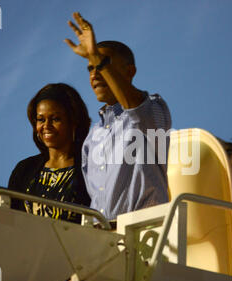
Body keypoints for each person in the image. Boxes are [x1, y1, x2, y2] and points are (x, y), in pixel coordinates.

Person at [64, 13, 172, 223]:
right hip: (100, 241)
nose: (95, 74)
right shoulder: (93, 136)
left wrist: (94, 55)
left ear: (130, 72)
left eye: (103, 64)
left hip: (145, 235)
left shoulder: (153, 108)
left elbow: (136, 107)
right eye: (90, 68)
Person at [8, 83, 91, 224]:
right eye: (41, 120)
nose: (46, 126)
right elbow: (8, 220)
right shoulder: (24, 169)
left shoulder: (90, 166)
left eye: (55, 119)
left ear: (73, 121)